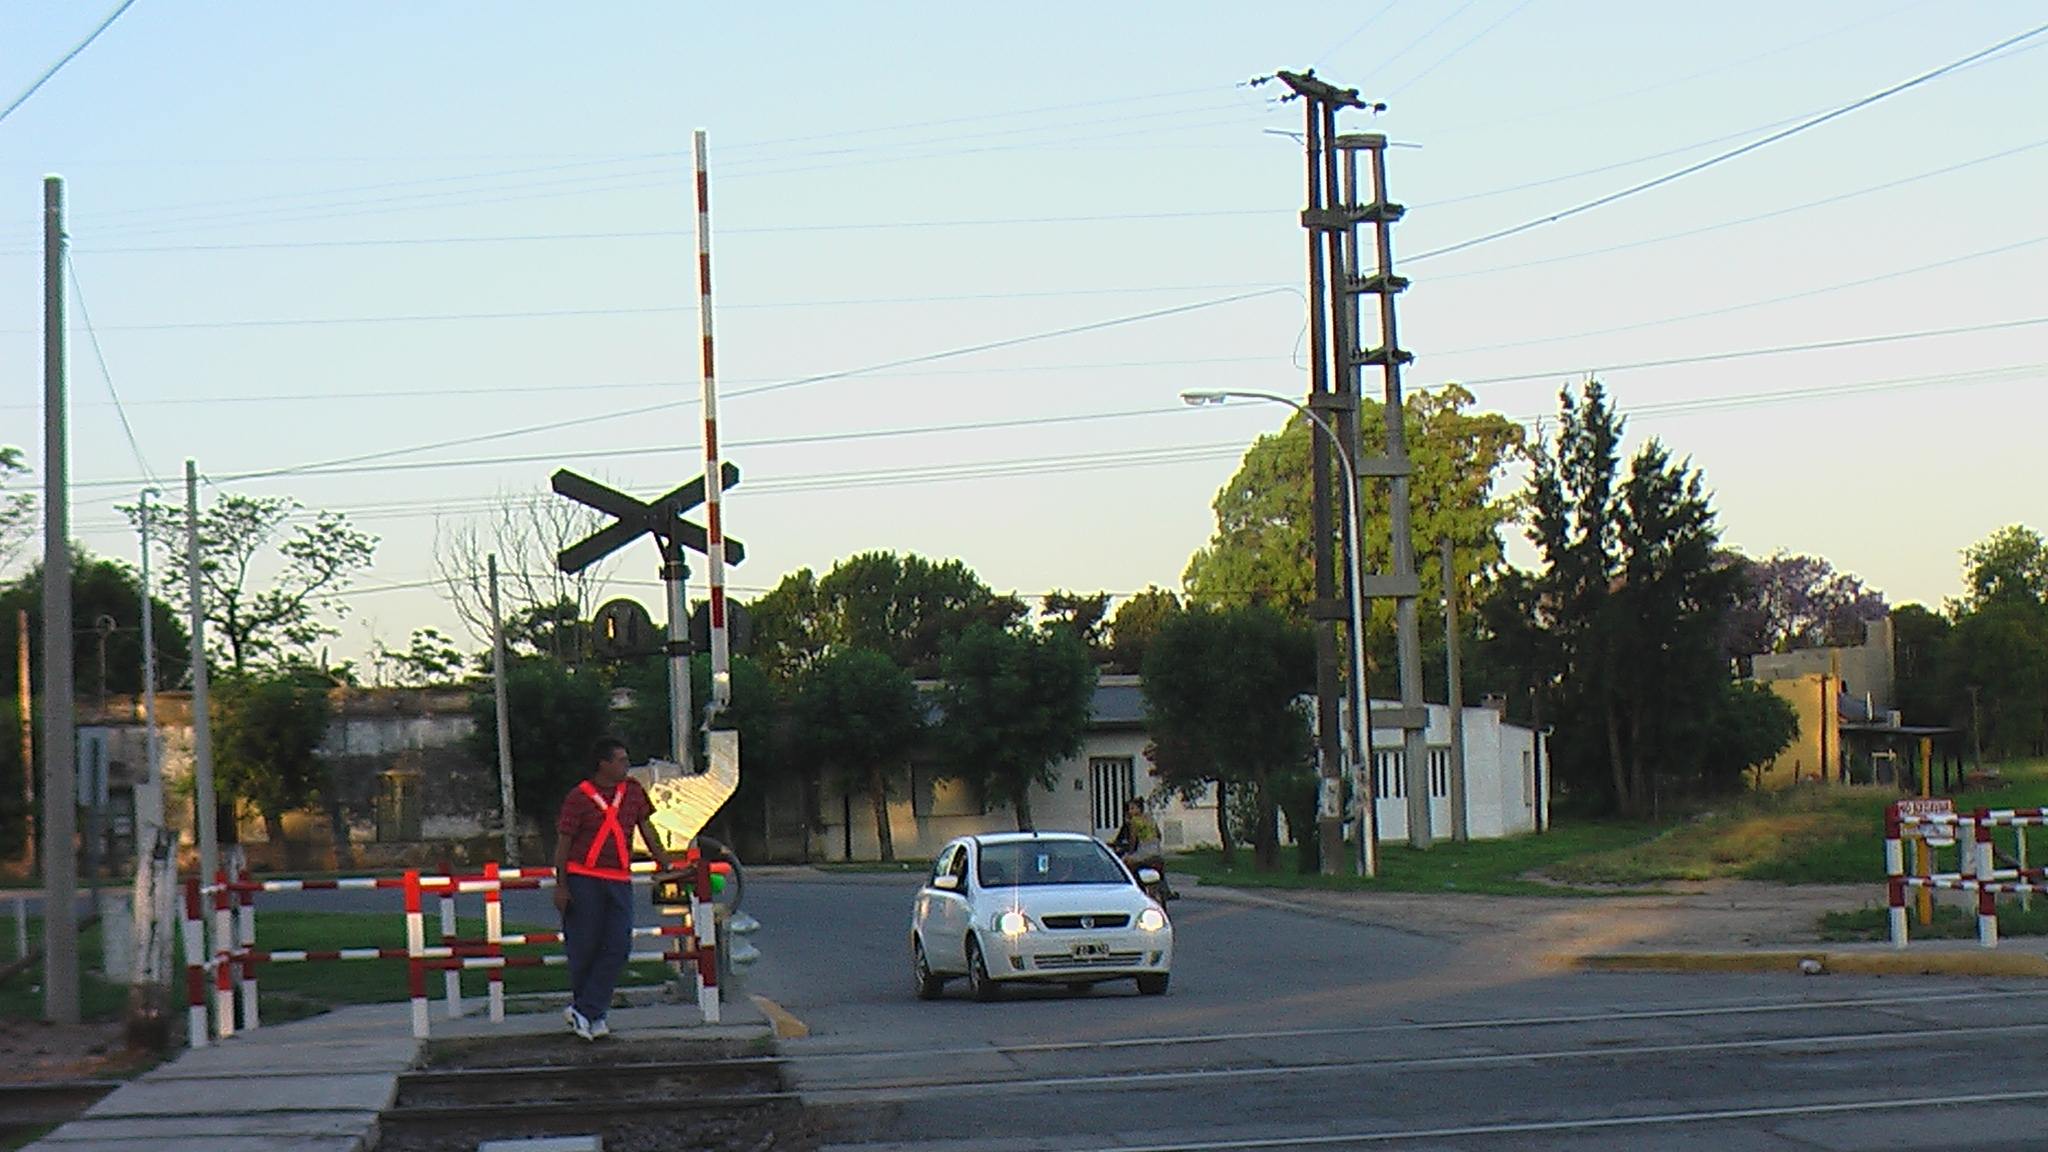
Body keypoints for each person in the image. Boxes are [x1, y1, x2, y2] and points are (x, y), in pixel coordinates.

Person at [553, 736, 673, 1041]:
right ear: (603, 764)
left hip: (618, 878)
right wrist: (561, 885)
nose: (626, 764)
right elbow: (564, 843)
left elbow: (647, 828)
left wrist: (664, 862)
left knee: (618, 946)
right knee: (584, 947)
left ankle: (586, 1009)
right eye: (620, 759)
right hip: (583, 878)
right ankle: (592, 1015)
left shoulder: (633, 791)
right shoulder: (579, 797)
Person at [1110, 799, 1175, 900]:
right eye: (1129, 809)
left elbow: (1133, 839)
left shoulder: (1134, 821)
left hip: (1144, 851)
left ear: (1139, 809)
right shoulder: (1150, 818)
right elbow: (1159, 835)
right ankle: (1165, 890)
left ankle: (1135, 888)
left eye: (1132, 808)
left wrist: (1130, 852)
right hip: (1156, 850)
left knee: (1125, 863)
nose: (1130, 811)